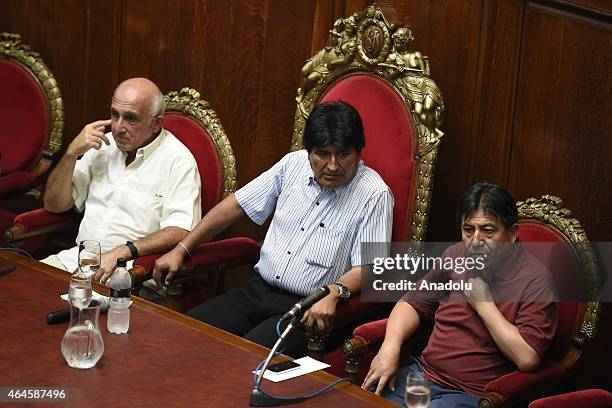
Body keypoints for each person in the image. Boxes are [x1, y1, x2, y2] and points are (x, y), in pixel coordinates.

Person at [153, 101, 393, 356]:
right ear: (308, 151)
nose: (333, 166)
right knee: (178, 336)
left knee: (238, 360)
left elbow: (370, 269)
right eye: (323, 154)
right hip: (255, 292)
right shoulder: (292, 165)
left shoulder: (374, 194)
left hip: (305, 310)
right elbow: (235, 206)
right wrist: (182, 248)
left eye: (343, 155)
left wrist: (333, 292)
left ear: (358, 152)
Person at [362, 182, 559, 407]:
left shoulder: (536, 282)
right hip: (423, 374)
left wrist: (484, 305)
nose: (475, 241)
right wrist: (390, 347)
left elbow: (527, 358)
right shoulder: (455, 254)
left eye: (488, 231)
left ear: (512, 233)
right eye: (468, 230)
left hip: (471, 394)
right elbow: (411, 303)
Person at [42, 78, 201, 284]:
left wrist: (125, 251)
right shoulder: (102, 146)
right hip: (78, 261)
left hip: (130, 273)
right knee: (19, 289)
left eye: (130, 118)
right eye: (114, 115)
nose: (118, 127)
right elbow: (54, 205)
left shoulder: (178, 161)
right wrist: (72, 153)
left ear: (156, 124)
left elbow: (180, 231)